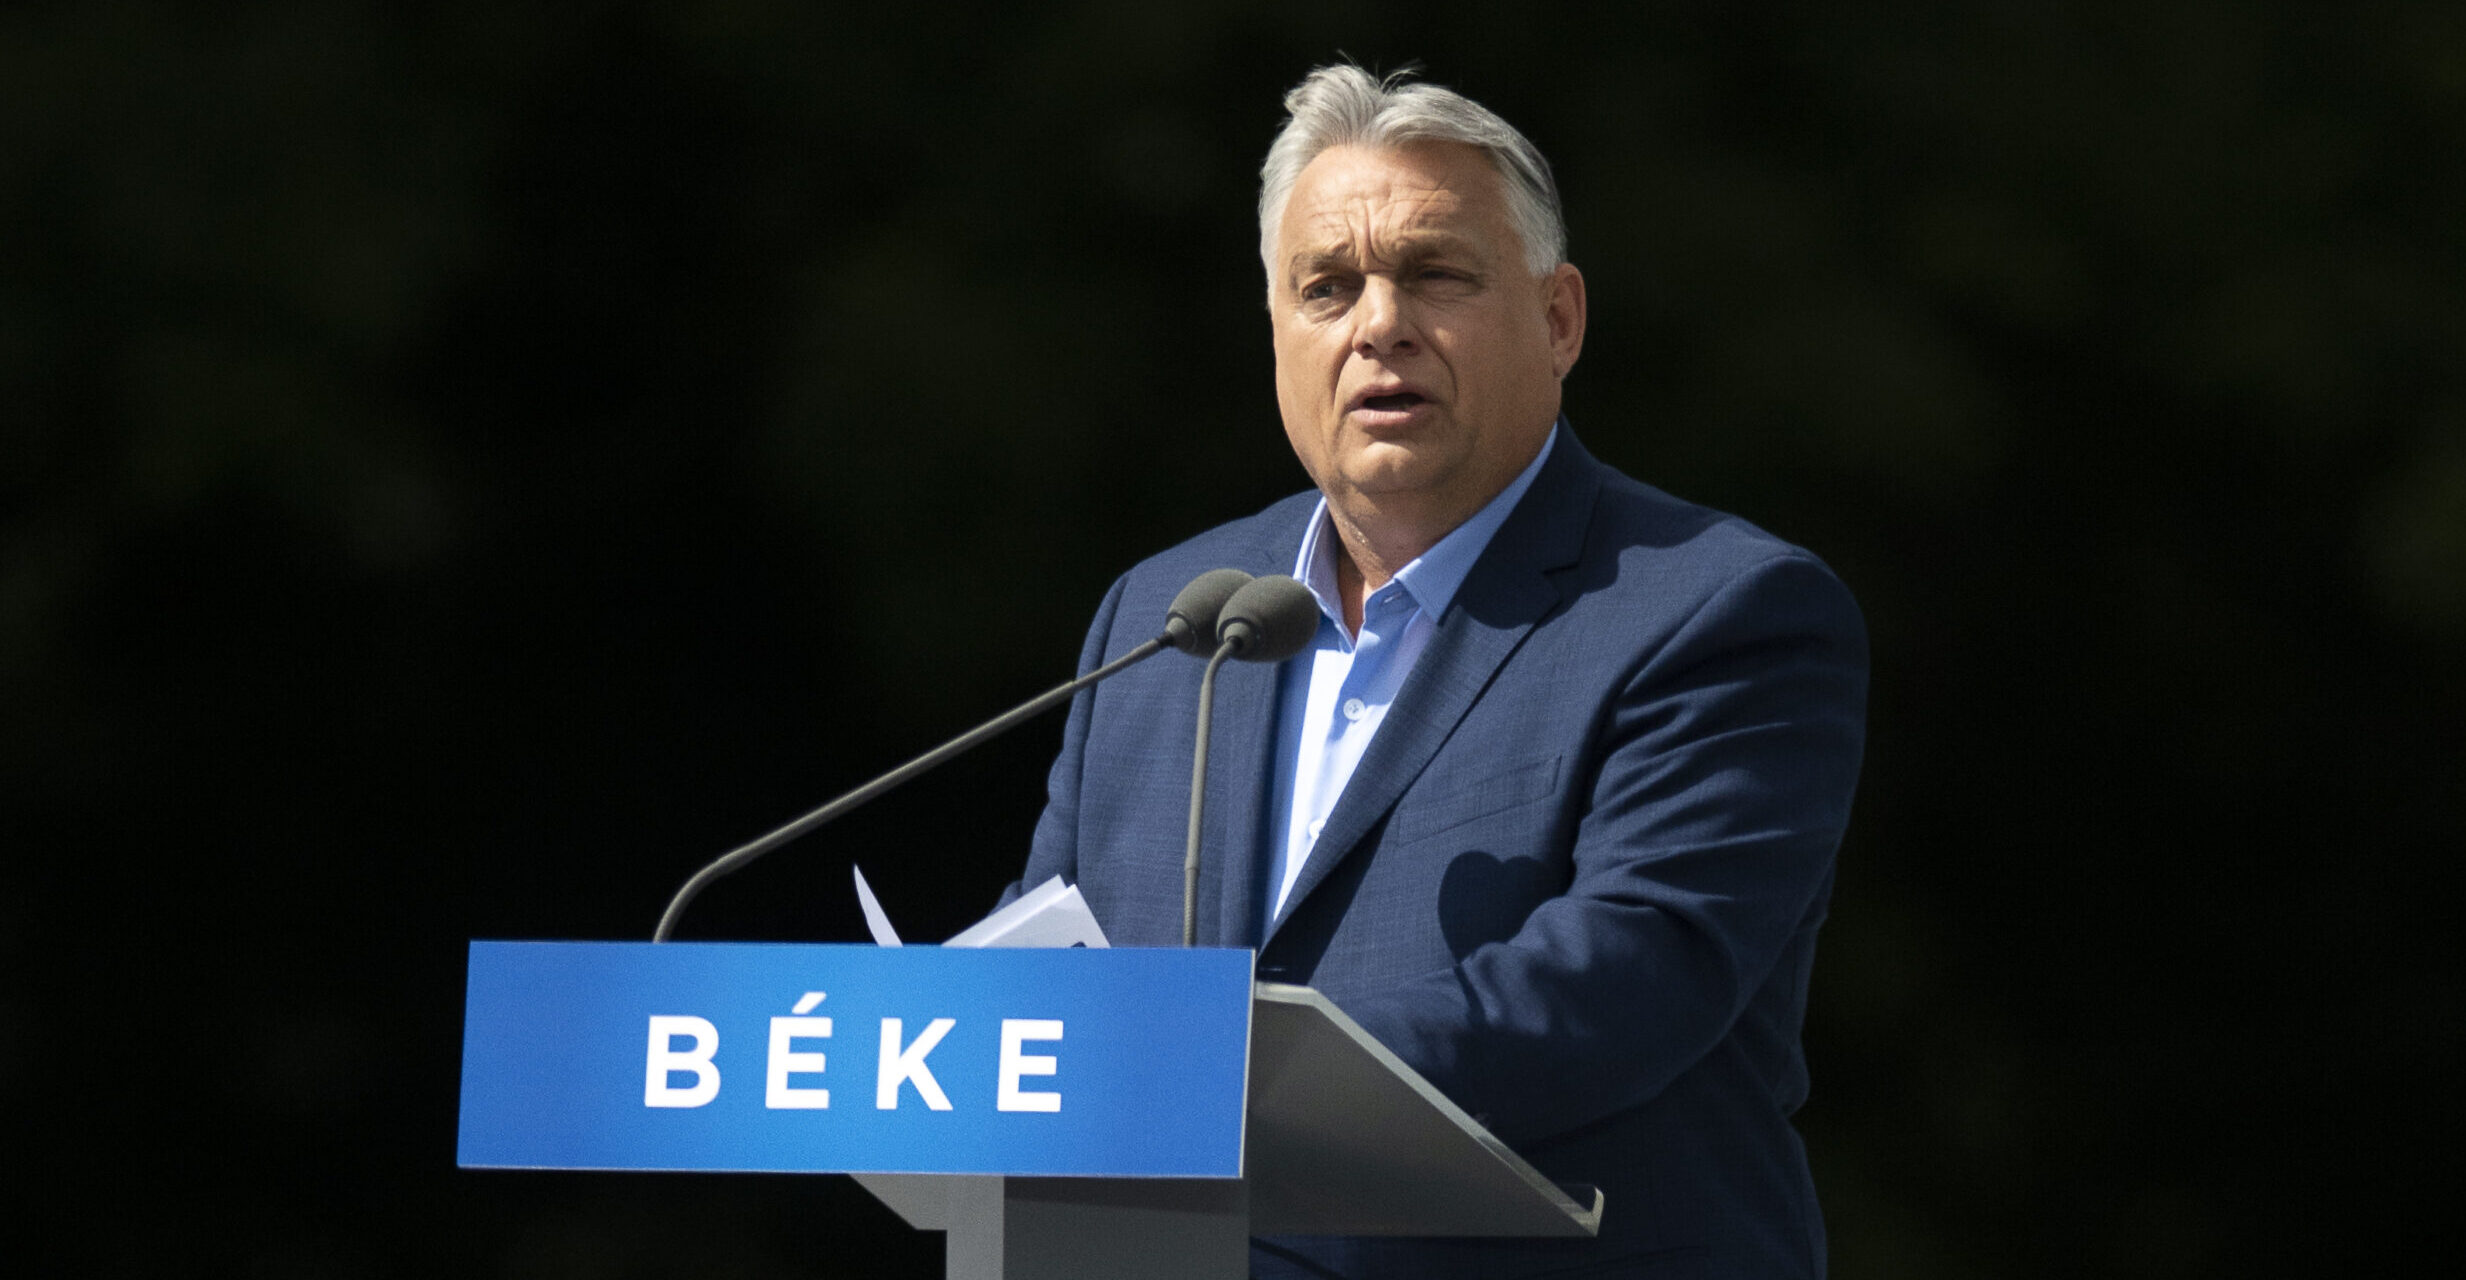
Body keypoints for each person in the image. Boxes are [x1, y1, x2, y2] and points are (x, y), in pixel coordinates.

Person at [1005, 64, 1868, 1279]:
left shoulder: (1720, 612)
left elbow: (1625, 981)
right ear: (1275, 330)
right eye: (1327, 287)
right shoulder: (1170, 618)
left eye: (1435, 274)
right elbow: (1044, 968)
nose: (1379, 324)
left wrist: (1210, 1078)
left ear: (1559, 319)